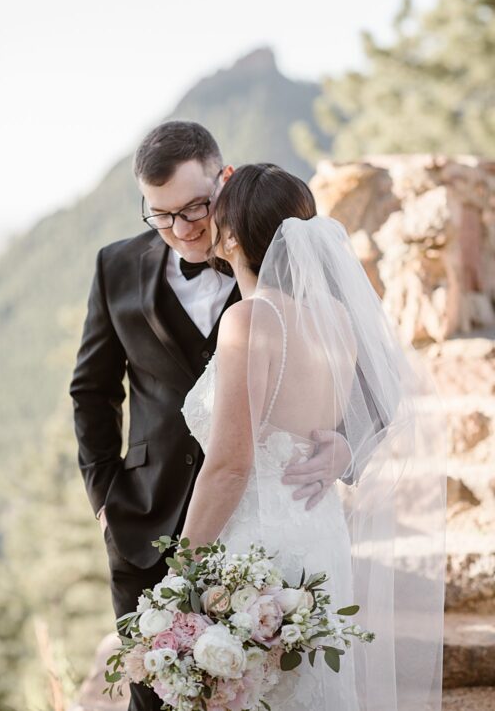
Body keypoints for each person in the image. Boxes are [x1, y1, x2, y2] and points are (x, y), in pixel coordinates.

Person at [70, 121, 356, 711]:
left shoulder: (277, 294)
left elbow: (379, 391)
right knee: (153, 697)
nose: (182, 229)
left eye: (196, 208)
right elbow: (92, 390)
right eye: (160, 215)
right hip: (143, 520)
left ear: (224, 188)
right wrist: (104, 495)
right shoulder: (114, 266)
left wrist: (347, 447)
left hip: (257, 536)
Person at [178, 163, 445, 709]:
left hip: (257, 546)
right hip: (319, 535)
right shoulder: (338, 322)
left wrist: (181, 568)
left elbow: (231, 464)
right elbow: (368, 401)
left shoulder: (249, 321)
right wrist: (345, 444)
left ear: (230, 237)